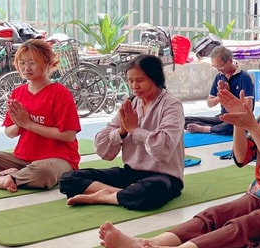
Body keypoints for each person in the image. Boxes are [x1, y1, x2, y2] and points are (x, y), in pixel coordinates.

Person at [98, 55, 260, 248]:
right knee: (214, 214)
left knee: (243, 225)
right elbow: (242, 157)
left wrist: (251, 126)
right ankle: (148, 243)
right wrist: (238, 121)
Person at [59, 55, 185, 210]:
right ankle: (120, 194)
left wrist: (134, 130)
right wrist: (122, 131)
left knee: (151, 190)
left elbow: (163, 147)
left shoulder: (172, 105)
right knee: (69, 178)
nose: (134, 86)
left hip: (164, 177)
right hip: (131, 174)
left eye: (140, 80)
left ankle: (106, 196)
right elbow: (102, 144)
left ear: (155, 78)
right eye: (130, 81)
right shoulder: (131, 104)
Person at [0, 39, 81, 192]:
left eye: (32, 62)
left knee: (43, 172)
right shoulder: (18, 93)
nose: (26, 68)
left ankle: (11, 177)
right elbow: (9, 132)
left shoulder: (61, 94)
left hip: (57, 159)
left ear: (48, 62)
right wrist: (19, 124)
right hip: (22, 159)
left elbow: (68, 135)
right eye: (22, 63)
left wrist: (29, 124)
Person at [184, 46, 254, 135]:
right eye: (215, 66)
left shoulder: (244, 77)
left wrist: (228, 94)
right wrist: (220, 96)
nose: (218, 69)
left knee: (232, 125)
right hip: (223, 117)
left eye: (220, 66)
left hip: (238, 118)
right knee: (186, 120)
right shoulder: (219, 76)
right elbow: (209, 103)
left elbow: (248, 109)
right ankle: (216, 128)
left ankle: (206, 129)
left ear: (230, 61)